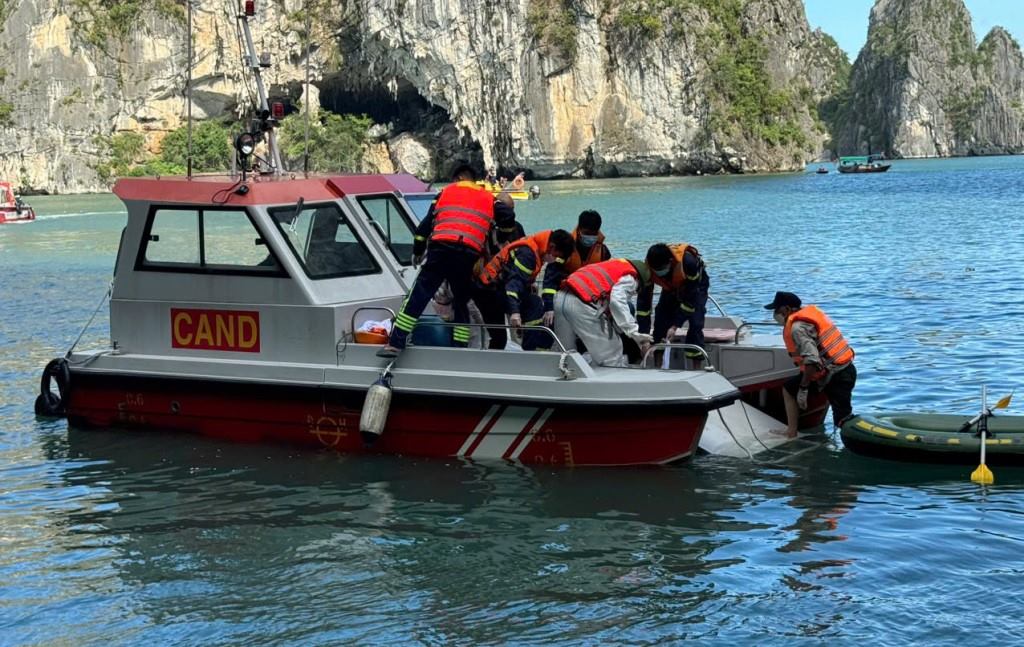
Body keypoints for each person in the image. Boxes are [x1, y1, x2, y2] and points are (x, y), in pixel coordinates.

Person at [378, 163, 495, 358]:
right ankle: (460, 348)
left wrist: (417, 250)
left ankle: (395, 344)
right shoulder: (488, 198)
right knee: (461, 302)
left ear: (458, 178)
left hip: (441, 251)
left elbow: (424, 227)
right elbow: (506, 215)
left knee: (418, 296)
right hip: (467, 256)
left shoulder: (446, 193)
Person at [764, 291, 857, 438]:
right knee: (789, 388)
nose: (775, 314)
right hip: (840, 370)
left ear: (787, 309)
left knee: (842, 420)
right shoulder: (808, 317)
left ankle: (857, 443)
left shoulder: (797, 328)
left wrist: (803, 388)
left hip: (837, 376)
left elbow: (812, 361)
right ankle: (791, 431)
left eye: (777, 310)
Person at [475, 229, 575, 350]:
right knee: (534, 305)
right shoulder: (528, 254)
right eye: (557, 256)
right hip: (489, 292)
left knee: (499, 338)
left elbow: (516, 277)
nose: (555, 259)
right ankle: (529, 351)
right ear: (552, 247)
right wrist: (515, 312)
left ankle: (527, 350)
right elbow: (513, 285)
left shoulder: (535, 248)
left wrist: (527, 286)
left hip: (492, 289)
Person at [553, 259, 655, 367]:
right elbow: (617, 301)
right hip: (581, 305)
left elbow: (609, 303)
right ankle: (612, 381)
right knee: (612, 353)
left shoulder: (612, 266)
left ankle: (565, 375)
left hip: (561, 298)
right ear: (640, 281)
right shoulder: (631, 278)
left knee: (566, 352)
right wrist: (634, 332)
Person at [638, 243, 710, 364]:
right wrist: (644, 338)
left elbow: (690, 300)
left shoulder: (688, 263)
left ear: (670, 262)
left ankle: (697, 367)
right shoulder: (647, 270)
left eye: (660, 270)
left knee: (695, 320)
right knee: (661, 318)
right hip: (670, 286)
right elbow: (643, 306)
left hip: (695, 286)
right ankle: (657, 366)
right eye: (655, 270)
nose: (658, 272)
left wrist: (675, 326)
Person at [562, 210, 612, 274]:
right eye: (587, 233)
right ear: (579, 229)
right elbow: (554, 269)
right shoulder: (564, 247)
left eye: (594, 234)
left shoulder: (604, 252)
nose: (590, 237)